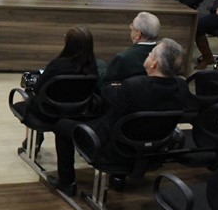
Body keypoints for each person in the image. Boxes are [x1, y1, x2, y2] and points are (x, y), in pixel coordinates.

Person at [53, 38, 188, 197]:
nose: (148, 55)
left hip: (111, 150)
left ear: (154, 64)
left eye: (150, 54)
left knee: (61, 125)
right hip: (152, 152)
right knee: (129, 124)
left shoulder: (133, 87)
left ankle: (67, 183)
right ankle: (118, 177)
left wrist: (116, 86)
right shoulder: (181, 87)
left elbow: (107, 91)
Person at [102, 12, 160, 84]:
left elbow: (107, 85)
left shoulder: (123, 58)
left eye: (132, 27)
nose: (131, 30)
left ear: (138, 33)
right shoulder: (165, 56)